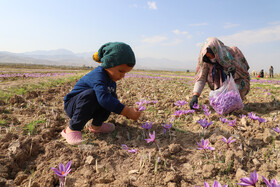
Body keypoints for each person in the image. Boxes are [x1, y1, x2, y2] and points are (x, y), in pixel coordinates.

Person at [61, 42, 141, 145]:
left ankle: (96, 126)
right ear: (109, 64)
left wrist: (128, 111)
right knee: (95, 95)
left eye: (125, 73)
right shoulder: (98, 75)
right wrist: (126, 111)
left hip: (88, 107)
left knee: (110, 99)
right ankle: (72, 129)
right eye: (121, 71)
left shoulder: (111, 80)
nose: (123, 76)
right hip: (74, 106)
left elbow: (111, 101)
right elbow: (103, 99)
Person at [189, 37, 250, 109]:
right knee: (221, 103)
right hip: (220, 88)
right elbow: (201, 78)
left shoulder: (232, 52)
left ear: (216, 51)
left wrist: (233, 73)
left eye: (211, 54)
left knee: (233, 97)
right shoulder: (206, 61)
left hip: (236, 84)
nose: (210, 57)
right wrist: (195, 95)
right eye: (208, 56)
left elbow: (244, 73)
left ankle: (236, 101)